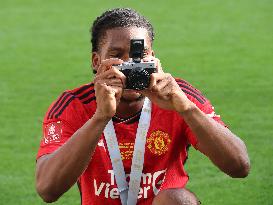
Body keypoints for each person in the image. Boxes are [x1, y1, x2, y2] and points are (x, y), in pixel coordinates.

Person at [35, 8, 250, 205]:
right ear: (95, 61)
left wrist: (186, 109)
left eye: (139, 55)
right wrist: (100, 117)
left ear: (153, 58)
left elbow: (239, 166)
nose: (130, 66)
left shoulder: (178, 95)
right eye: (117, 56)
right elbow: (47, 189)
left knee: (178, 200)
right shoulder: (75, 104)